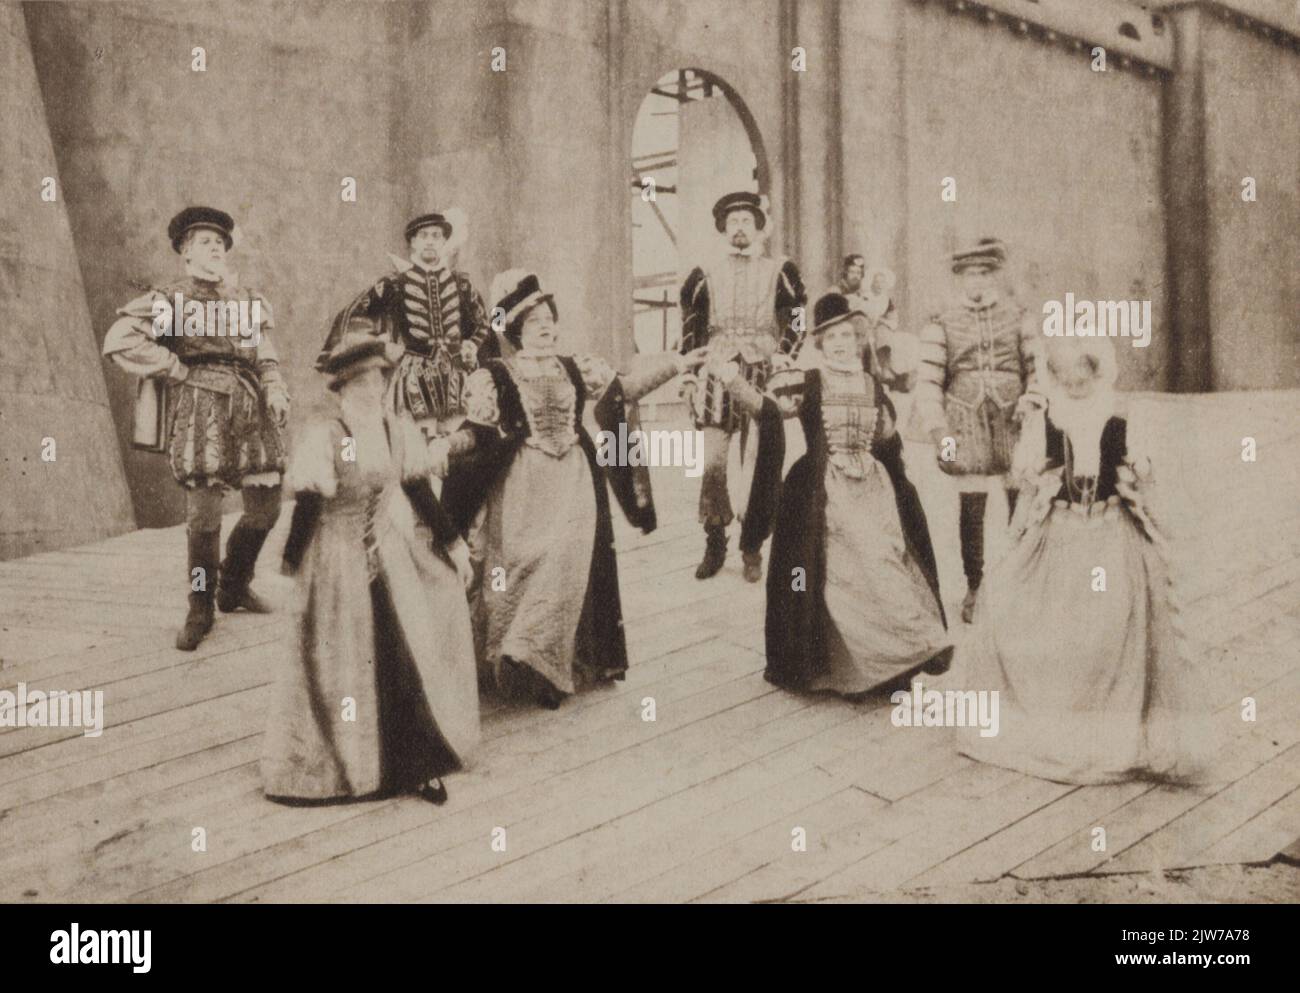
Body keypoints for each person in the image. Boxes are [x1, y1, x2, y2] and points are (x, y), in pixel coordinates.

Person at [439, 271, 709, 709]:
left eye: (549, 318)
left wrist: (678, 364)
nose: (546, 327)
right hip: (522, 486)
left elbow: (623, 389)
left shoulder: (575, 367)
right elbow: (477, 431)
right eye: (534, 322)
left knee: (564, 564)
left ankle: (542, 669)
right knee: (519, 566)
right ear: (515, 331)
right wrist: (443, 447)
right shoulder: (494, 375)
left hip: (575, 484)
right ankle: (514, 656)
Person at [957, 335, 1211, 785]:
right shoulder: (1048, 420)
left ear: (1099, 375)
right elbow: (1030, 477)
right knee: (1049, 621)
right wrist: (1030, 486)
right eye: (1066, 378)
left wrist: (1140, 472)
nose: (1075, 386)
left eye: (1083, 377)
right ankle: (1055, 720)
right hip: (1062, 533)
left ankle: (1111, 731)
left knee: (1111, 627)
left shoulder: (1119, 419)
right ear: (1055, 378)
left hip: (1111, 535)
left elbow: (1143, 472)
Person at [263, 331, 479, 806]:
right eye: (363, 382)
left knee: (402, 652)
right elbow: (308, 504)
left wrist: (456, 546)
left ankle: (414, 764)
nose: (375, 389)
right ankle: (351, 765)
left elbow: (418, 491)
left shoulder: (394, 428)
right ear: (342, 387)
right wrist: (287, 568)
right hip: (334, 563)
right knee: (339, 665)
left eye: (379, 379)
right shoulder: (331, 435)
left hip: (387, 553)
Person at [717, 293, 952, 699]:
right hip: (820, 492)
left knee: (886, 564)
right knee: (837, 578)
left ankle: (896, 664)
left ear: (858, 339)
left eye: (847, 334)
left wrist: (904, 484)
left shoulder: (873, 385)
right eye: (832, 336)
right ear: (820, 343)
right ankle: (845, 670)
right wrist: (729, 378)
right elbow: (767, 412)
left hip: (873, 489)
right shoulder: (805, 382)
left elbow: (887, 439)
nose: (841, 342)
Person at [103, 206, 289, 651]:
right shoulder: (172, 300)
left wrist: (276, 386)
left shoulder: (245, 299)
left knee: (266, 508)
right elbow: (120, 340)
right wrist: (174, 367)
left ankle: (234, 584)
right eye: (205, 242)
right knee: (204, 518)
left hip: (251, 407)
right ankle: (201, 605)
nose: (216, 248)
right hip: (201, 409)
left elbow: (262, 350)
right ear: (185, 252)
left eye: (220, 242)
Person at [679, 191, 807, 582]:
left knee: (757, 465)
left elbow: (798, 317)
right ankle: (714, 540)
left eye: (746, 222)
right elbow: (691, 326)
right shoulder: (704, 273)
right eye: (732, 222)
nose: (739, 228)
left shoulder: (779, 270)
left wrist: (786, 355)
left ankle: (752, 546)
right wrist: (688, 375)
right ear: (723, 228)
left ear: (758, 228)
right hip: (717, 372)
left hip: (760, 373)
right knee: (714, 462)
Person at [913, 237, 1039, 622]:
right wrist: (939, 433)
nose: (977, 282)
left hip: (1013, 422)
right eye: (969, 275)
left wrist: (1031, 399)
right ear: (958, 280)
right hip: (962, 424)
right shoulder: (941, 323)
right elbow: (929, 382)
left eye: (984, 274)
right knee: (971, 506)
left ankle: (1023, 581)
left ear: (996, 276)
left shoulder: (1020, 316)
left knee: (1021, 502)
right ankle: (975, 587)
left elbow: (1037, 368)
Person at [317, 210, 492, 441]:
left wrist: (473, 344)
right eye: (424, 236)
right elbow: (352, 315)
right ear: (413, 243)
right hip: (414, 377)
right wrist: (379, 347)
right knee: (417, 445)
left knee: (458, 442)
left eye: (436, 236)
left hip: (456, 376)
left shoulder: (462, 284)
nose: (430, 241)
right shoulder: (393, 284)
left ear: (444, 242)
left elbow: (487, 320)